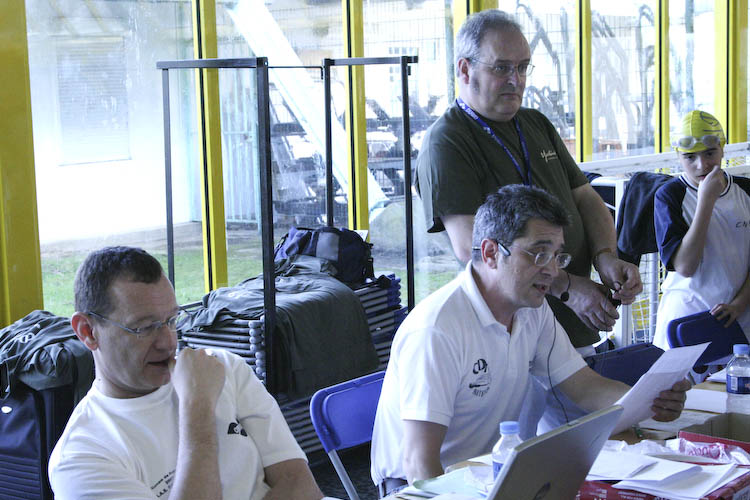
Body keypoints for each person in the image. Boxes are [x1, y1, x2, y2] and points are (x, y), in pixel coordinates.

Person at [370, 185, 689, 496]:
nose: (552, 270)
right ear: (491, 253)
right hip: (419, 486)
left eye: (558, 256)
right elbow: (419, 464)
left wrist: (652, 400)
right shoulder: (437, 330)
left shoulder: (530, 309)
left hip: (487, 474)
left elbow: (585, 387)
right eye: (539, 254)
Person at [415, 9, 642, 348]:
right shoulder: (447, 140)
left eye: (522, 67)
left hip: (573, 324)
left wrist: (606, 256)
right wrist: (566, 286)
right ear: (464, 69)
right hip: (512, 334)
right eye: (501, 68)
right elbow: (472, 247)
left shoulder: (535, 123)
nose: (516, 79)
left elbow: (585, 198)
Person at [48, 246, 326, 500]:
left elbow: (300, 485)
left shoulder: (222, 368)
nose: (168, 341)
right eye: (144, 328)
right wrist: (198, 407)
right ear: (87, 331)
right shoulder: (82, 456)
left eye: (172, 320)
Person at [653, 110, 750, 353]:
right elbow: (685, 266)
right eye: (690, 157)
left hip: (740, 319)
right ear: (678, 156)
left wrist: (739, 304)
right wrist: (706, 201)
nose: (702, 165)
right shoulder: (669, 196)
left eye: (709, 153)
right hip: (686, 319)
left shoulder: (746, 191)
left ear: (722, 148)